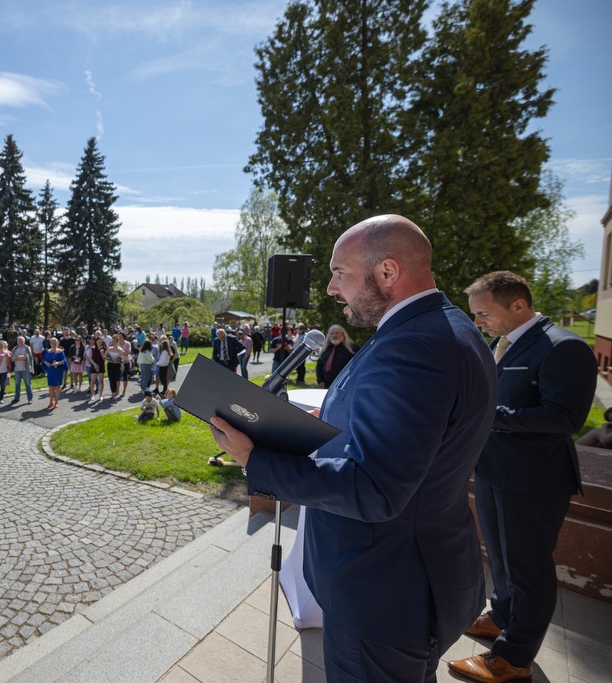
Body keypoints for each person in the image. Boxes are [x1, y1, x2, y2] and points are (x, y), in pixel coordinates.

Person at [209, 215, 497, 682]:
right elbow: (418, 437)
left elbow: (375, 489)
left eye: (339, 273)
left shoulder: (413, 348)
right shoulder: (441, 327)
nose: (329, 288)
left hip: (383, 594)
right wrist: (329, 423)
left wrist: (253, 459)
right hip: (411, 577)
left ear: (387, 271)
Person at [448, 271, 598, 683]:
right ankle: (501, 616)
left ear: (518, 305)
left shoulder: (565, 347)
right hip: (496, 471)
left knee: (528, 568)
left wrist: (484, 416)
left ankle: (514, 657)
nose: (477, 322)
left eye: (483, 313)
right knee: (501, 559)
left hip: (535, 480)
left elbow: (564, 416)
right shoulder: (502, 343)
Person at [315, 324, 359, 389]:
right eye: (332, 333)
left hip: (344, 386)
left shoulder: (352, 349)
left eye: (337, 333)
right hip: (327, 385)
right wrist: (320, 381)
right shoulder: (325, 349)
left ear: (343, 335)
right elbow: (319, 366)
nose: (334, 335)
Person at [42, 338, 67, 409]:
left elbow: (64, 360)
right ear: (50, 344)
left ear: (57, 344)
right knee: (51, 387)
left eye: (55, 343)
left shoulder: (60, 352)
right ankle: (50, 402)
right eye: (52, 343)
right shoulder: (48, 352)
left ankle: (56, 402)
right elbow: (44, 359)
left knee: (57, 387)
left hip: (58, 371)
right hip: (50, 371)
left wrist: (58, 363)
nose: (53, 344)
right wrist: (45, 362)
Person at [10, 336, 34, 404]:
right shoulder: (15, 348)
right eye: (19, 341)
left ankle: (30, 399)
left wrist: (17, 357)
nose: (20, 342)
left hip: (26, 369)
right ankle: (16, 398)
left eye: (21, 341)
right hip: (17, 369)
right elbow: (12, 359)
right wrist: (20, 357)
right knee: (17, 384)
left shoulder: (27, 348)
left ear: (24, 341)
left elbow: (26, 357)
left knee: (28, 384)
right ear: (17, 341)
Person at [87, 336, 106, 401]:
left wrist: (102, 353)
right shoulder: (92, 348)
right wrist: (94, 364)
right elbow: (90, 358)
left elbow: (104, 359)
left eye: (101, 342)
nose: (100, 343)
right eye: (98, 341)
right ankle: (92, 395)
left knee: (101, 381)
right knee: (92, 381)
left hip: (101, 365)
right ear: (96, 341)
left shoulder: (104, 349)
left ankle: (100, 395)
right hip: (94, 365)